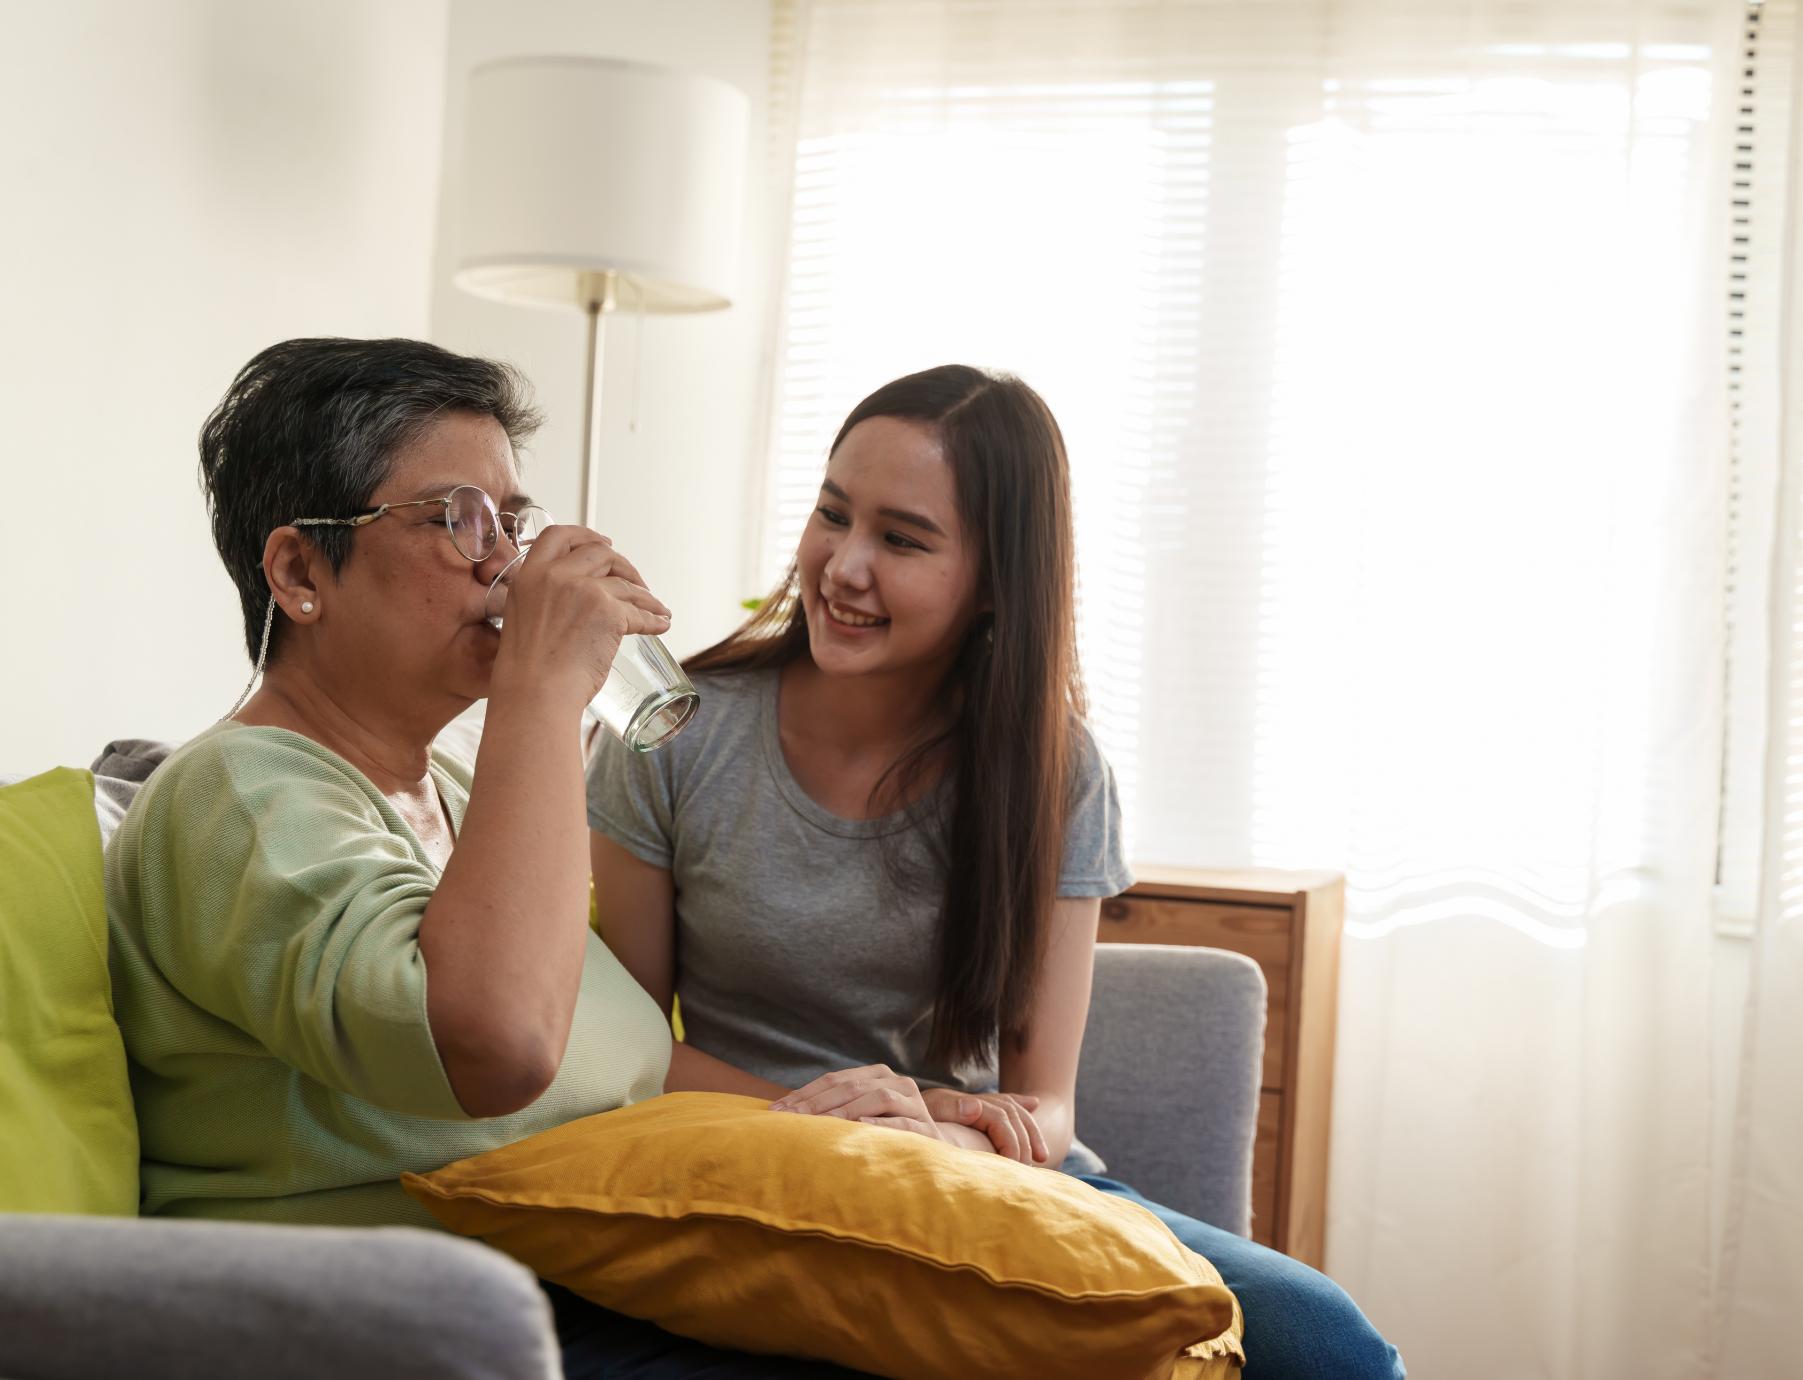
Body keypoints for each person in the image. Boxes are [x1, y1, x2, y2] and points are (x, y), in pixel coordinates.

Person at [586, 364, 1405, 1380]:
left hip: (967, 1171)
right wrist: (838, 1124)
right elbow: (619, 1051)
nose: (842, 565)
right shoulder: (674, 731)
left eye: (902, 538)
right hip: (739, 1161)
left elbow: (1045, 1110)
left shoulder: (1054, 777)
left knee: (1328, 1347)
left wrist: (937, 1139)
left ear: (992, 581)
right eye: (832, 514)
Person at [106, 337, 864, 1378]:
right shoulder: (235, 793)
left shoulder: (457, 790)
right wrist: (543, 696)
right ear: (297, 571)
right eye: (455, 518)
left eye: (511, 520)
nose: (505, 561)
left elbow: (624, 1059)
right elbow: (496, 1046)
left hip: (581, 1283)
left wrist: (819, 1118)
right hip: (389, 1329)